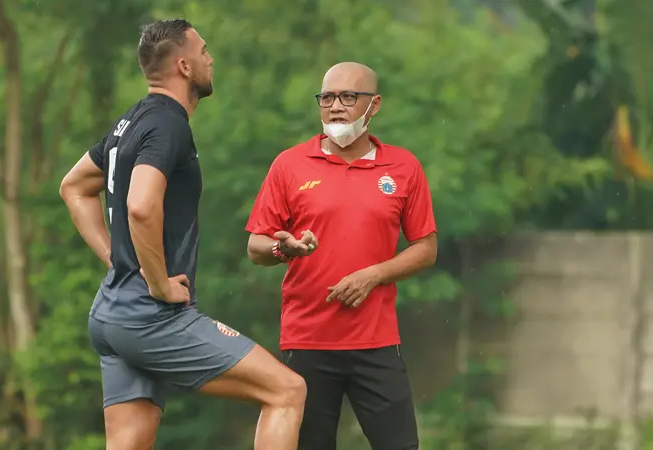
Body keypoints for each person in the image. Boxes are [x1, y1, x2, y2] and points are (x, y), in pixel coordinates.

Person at [59, 19, 306, 450]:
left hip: (111, 316)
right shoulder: (168, 124)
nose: (210, 58)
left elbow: (74, 187)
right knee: (286, 391)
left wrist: (120, 262)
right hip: (149, 316)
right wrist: (156, 282)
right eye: (204, 50)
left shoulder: (131, 121)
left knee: (129, 443)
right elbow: (140, 205)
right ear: (184, 65)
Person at [244, 61, 438, 450]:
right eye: (327, 97)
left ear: (374, 104)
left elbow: (426, 249)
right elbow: (256, 247)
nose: (335, 107)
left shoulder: (403, 167)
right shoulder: (290, 164)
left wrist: (373, 275)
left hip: (377, 342)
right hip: (308, 342)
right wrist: (285, 247)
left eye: (349, 97)